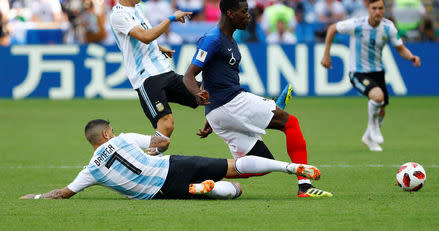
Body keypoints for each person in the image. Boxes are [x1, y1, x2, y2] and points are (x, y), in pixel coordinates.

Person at [183, 0, 332, 198]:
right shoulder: (212, 39)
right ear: (230, 13)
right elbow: (189, 75)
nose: (248, 16)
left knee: (262, 164)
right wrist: (197, 93)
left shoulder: (228, 40)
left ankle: (203, 179)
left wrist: (211, 112)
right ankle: (305, 186)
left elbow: (213, 78)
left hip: (219, 112)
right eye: (244, 12)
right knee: (291, 124)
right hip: (231, 103)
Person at [20, 119, 321, 200]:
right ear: (108, 132)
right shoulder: (124, 139)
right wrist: (150, 152)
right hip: (173, 163)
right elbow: (161, 142)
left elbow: (63, 194)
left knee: (228, 192)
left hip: (162, 190)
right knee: (235, 171)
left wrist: (35, 196)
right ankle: (290, 167)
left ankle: (206, 188)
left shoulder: (92, 170)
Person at [320, 0, 421, 152]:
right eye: (374, 8)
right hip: (358, 72)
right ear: (368, 9)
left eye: (381, 8)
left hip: (378, 72)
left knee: (381, 110)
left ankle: (368, 137)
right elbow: (332, 28)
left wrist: (411, 57)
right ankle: (372, 128)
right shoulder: (357, 24)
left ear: (384, 9)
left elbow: (400, 48)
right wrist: (326, 54)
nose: (377, 12)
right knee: (377, 97)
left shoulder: (388, 27)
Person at [109, 0, 196, 152]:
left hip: (164, 71)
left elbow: (145, 37)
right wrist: (171, 18)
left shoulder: (138, 9)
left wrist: (159, 48)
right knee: (166, 126)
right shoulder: (118, 15)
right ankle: (126, 148)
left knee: (204, 93)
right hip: (147, 78)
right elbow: (145, 36)